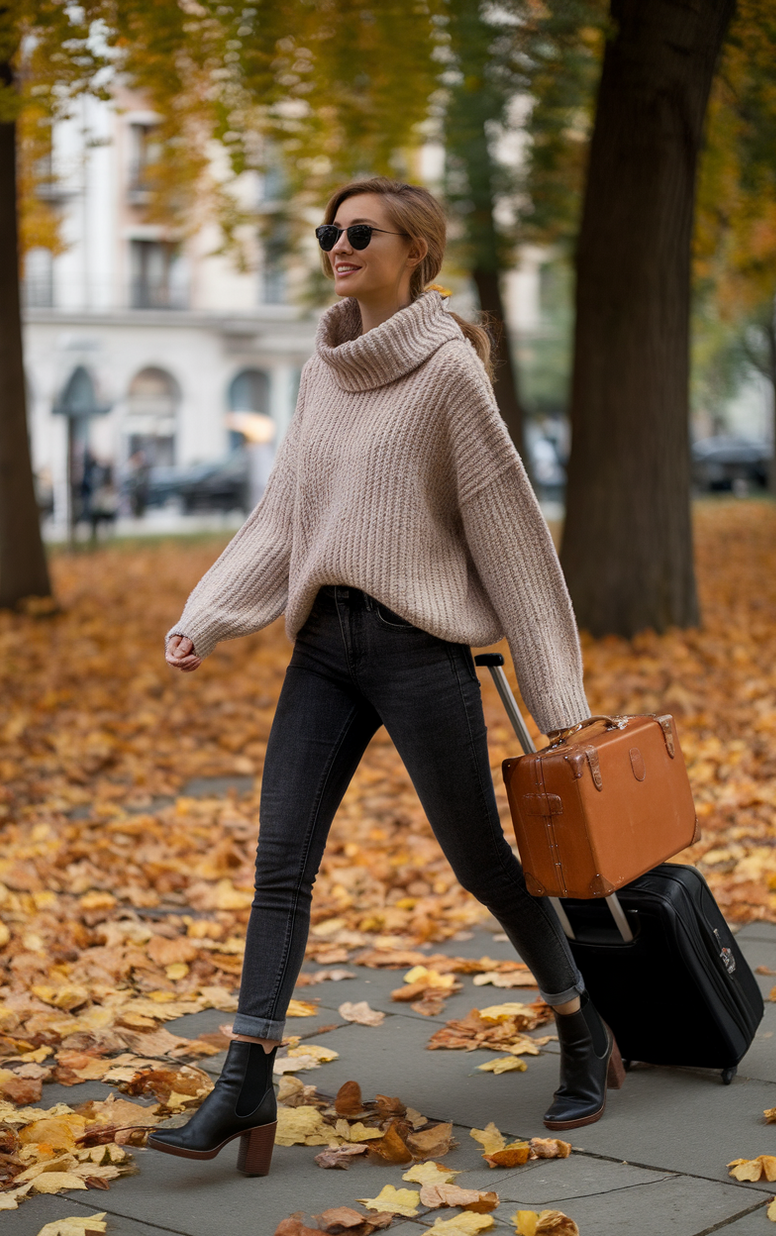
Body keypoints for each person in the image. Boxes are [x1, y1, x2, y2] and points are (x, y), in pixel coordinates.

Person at [153, 177, 623, 1179]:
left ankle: (580, 1026)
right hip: (321, 647)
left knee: (480, 861)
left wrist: (560, 701)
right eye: (328, 229)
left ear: (415, 249)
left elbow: (508, 535)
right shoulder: (321, 370)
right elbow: (284, 515)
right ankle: (245, 1078)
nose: (337, 243)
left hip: (418, 650)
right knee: (280, 861)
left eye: (358, 231)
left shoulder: (449, 372)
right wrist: (207, 613)